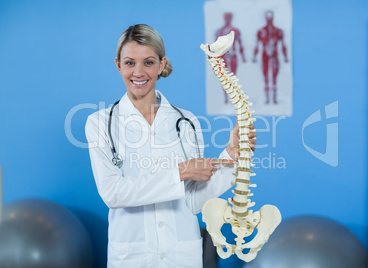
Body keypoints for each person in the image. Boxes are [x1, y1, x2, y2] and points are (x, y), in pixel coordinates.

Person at [85, 24, 257, 268]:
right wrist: (181, 171)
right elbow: (113, 193)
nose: (139, 72)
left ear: (161, 64)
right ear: (118, 65)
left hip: (181, 256)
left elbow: (193, 201)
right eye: (130, 62)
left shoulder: (186, 122)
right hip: (132, 256)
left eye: (148, 62)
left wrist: (230, 156)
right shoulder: (100, 123)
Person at [253, 10, 288, 104]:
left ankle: (274, 97)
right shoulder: (261, 31)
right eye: (267, 18)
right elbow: (257, 45)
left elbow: (283, 45)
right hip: (265, 55)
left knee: (274, 76)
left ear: (273, 18)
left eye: (270, 18)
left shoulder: (278, 31)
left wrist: (285, 56)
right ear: (265, 18)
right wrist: (254, 55)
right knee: (265, 76)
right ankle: (267, 98)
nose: (269, 20)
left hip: (275, 55)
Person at [215, 13, 246, 104]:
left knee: (232, 76)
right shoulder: (220, 31)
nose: (227, 19)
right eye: (226, 17)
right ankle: (225, 97)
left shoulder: (235, 31)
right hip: (223, 57)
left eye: (229, 18)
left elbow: (240, 44)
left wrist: (243, 56)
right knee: (224, 77)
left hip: (233, 56)